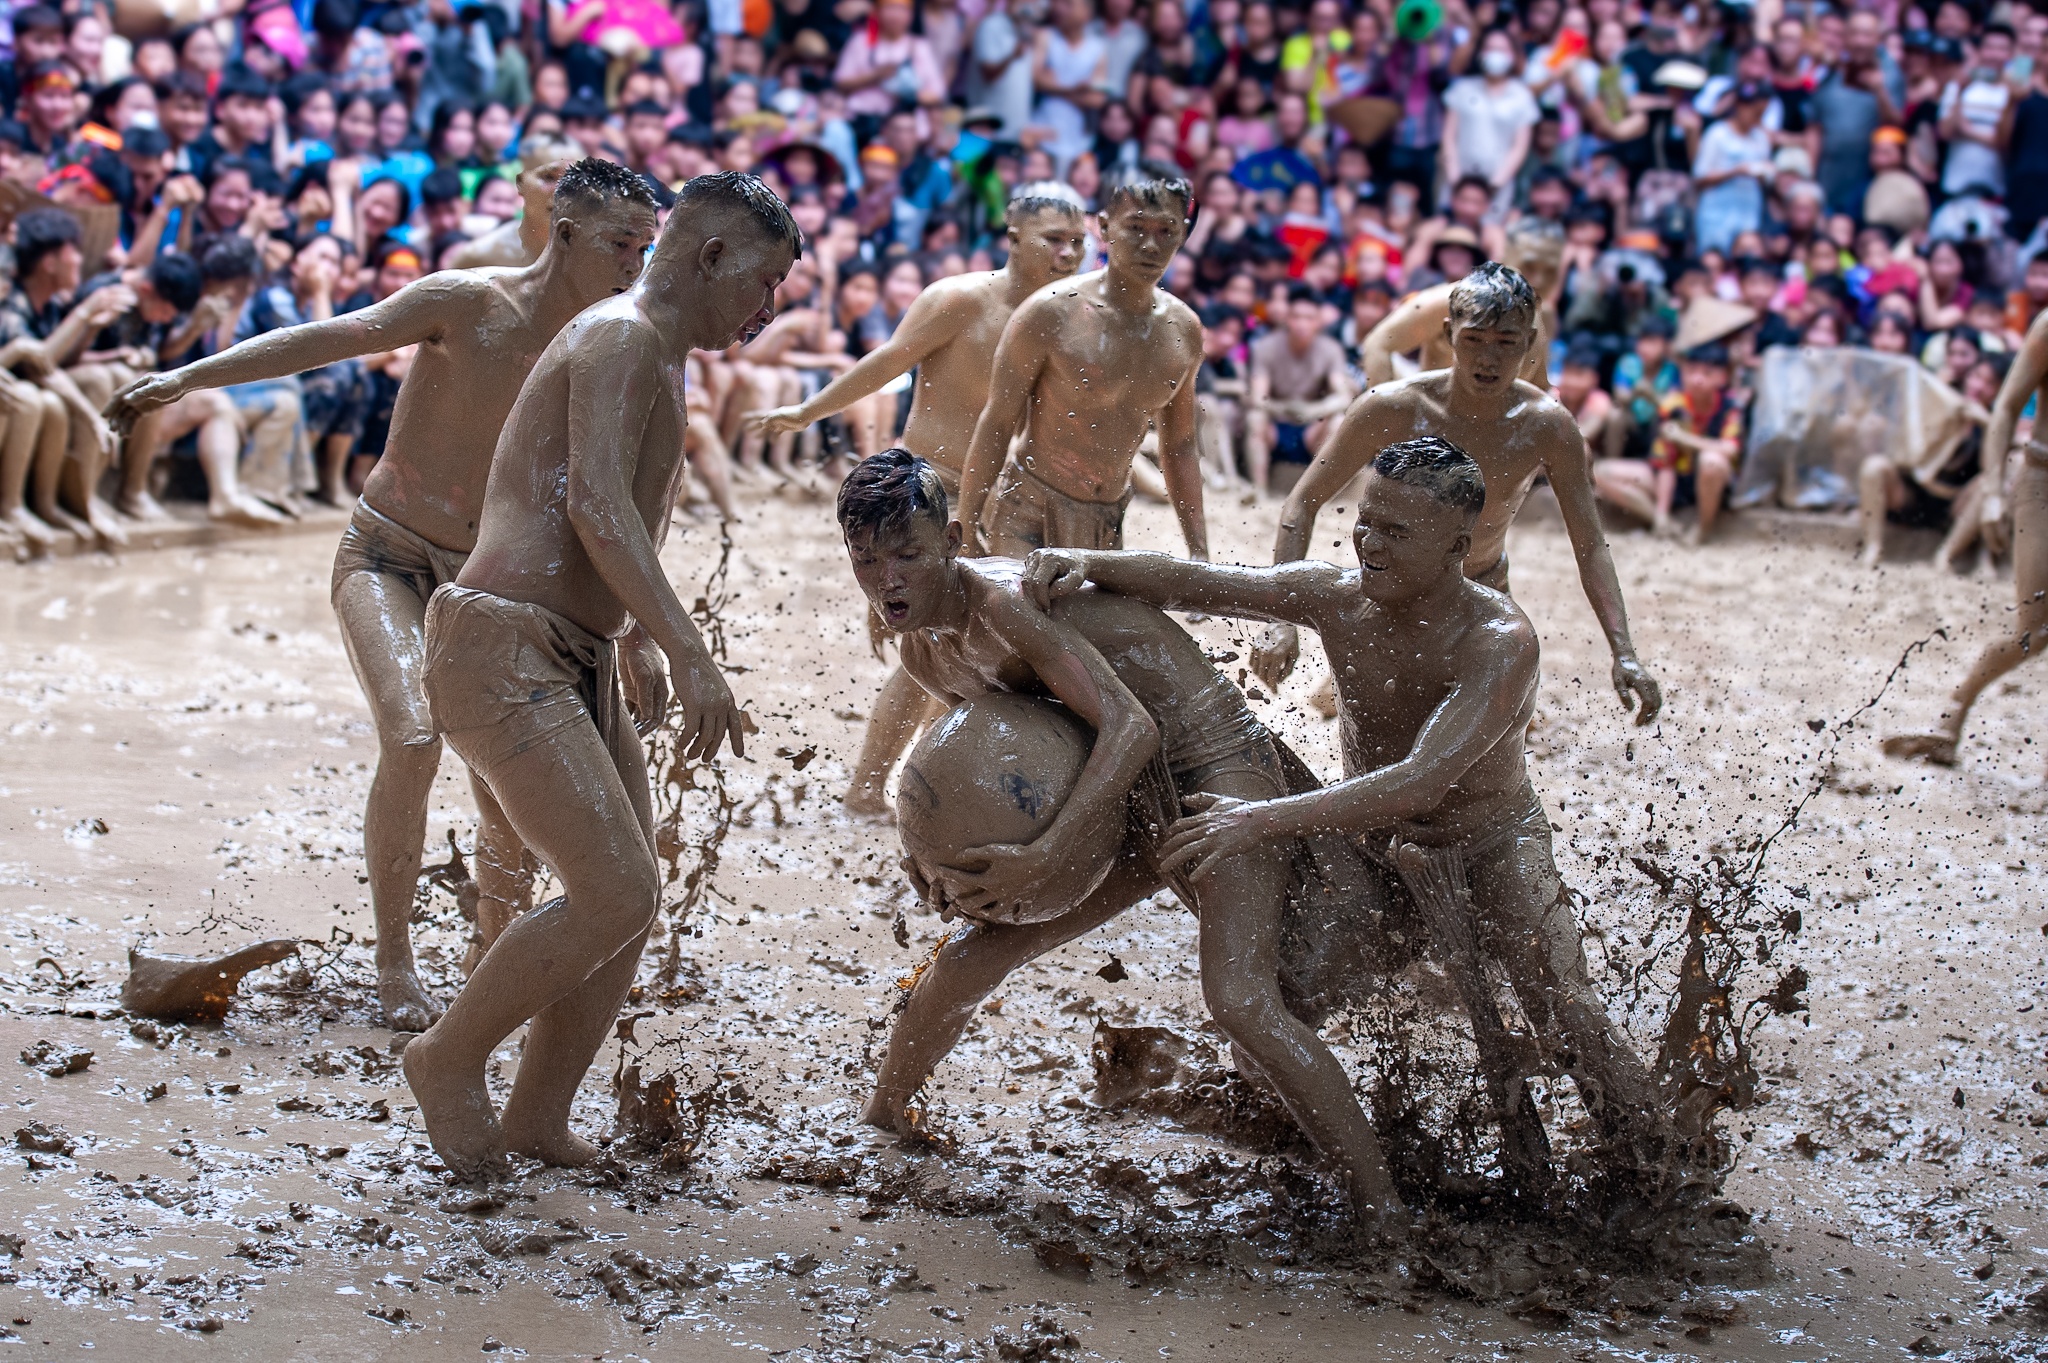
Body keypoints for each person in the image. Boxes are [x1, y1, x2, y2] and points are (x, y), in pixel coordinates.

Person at [1023, 435, 1673, 1200]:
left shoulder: (1500, 642)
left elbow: (1421, 780)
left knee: (1567, 1021)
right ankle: (1326, 1152)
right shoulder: (1338, 597)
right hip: (1376, 852)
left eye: (1397, 531)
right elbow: (1207, 581)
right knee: (1274, 999)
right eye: (1366, 520)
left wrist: (1259, 818)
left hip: (1491, 845)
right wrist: (1092, 564)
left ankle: (1667, 1176)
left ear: (1458, 546)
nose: (1368, 541)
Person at [106, 160, 662, 1032]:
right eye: (622, 244)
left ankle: (491, 959)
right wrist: (188, 379)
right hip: (389, 555)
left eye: (647, 246)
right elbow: (326, 337)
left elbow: (617, 496)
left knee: (506, 780)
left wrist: (633, 630)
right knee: (411, 736)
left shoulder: (609, 341)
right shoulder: (470, 300)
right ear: (565, 234)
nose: (636, 263)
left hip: (496, 583)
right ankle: (394, 962)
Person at [840, 447, 1404, 1225]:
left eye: (907, 554)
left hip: (1213, 764)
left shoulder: (1001, 605)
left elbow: (1133, 726)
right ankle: (881, 1125)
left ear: (954, 540)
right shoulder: (920, 644)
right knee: (974, 950)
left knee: (1243, 999)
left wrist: (1046, 854)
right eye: (867, 560)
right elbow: (961, 758)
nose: (889, 579)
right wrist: (924, 853)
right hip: (1125, 790)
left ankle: (1386, 1210)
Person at [403, 172, 799, 1177]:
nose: (765, 308)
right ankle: (446, 1056)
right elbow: (595, 510)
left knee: (631, 895)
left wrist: (624, 633)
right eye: (761, 283)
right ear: (709, 257)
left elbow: (593, 513)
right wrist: (688, 649)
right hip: (504, 646)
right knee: (613, 887)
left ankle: (537, 1113)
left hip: (566, 650)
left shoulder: (654, 351)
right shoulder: (623, 335)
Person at [746, 181, 1089, 816]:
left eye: (1077, 242)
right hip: (924, 490)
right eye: (1053, 241)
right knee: (923, 649)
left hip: (999, 499)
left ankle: (934, 789)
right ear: (1014, 239)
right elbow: (888, 359)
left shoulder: (1065, 317)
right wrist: (808, 410)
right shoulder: (959, 299)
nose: (1068, 254)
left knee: (980, 649)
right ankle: (870, 788)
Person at [1256, 263, 1662, 728]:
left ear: (1530, 343)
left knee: (1505, 726)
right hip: (1392, 591)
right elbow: (1302, 503)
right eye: (1475, 340)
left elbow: (1590, 545)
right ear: (1449, 334)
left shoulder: (1548, 426)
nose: (1489, 360)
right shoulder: (1394, 406)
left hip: (1481, 588)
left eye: (1506, 343)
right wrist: (1279, 619)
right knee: (1367, 714)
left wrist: (1623, 651)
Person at [957, 166, 1208, 561]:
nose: (1150, 245)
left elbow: (1179, 444)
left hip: (1107, 521)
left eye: (1166, 230)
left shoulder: (1183, 330)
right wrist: (967, 528)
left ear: (1184, 232)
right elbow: (998, 420)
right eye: (1136, 227)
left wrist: (1199, 552)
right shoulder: (1051, 311)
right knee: (1025, 621)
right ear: (1105, 227)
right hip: (1028, 510)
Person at [1886, 302, 2048, 768]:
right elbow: (2005, 409)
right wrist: (1995, 493)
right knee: (2034, 632)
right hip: (2042, 480)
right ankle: (1951, 716)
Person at [1357, 217, 1566, 389]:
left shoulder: (1544, 318)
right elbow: (1378, 344)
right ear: (1505, 257)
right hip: (1431, 426)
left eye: (1550, 271)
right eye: (1529, 266)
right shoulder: (1451, 300)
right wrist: (1389, 421)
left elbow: (1539, 388)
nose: (1539, 280)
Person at [1596, 341, 1743, 544]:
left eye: (1707, 373)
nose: (1698, 379)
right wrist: (1662, 512)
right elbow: (1665, 461)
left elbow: (1730, 449)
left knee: (1712, 462)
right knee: (1600, 472)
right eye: (1692, 371)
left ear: (1722, 377)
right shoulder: (1673, 405)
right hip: (1676, 481)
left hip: (1712, 481)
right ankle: (1662, 520)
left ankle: (1703, 527)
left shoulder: (1729, 407)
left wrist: (1686, 439)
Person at [1245, 281, 1356, 494]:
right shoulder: (1265, 347)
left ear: (1318, 321)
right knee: (1254, 418)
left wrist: (1315, 410)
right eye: (1296, 317)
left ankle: (1319, 494)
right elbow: (1258, 398)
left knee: (1338, 421)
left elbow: (1343, 396)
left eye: (1309, 318)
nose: (1302, 324)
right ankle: (1258, 491)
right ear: (1287, 318)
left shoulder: (1330, 350)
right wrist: (1282, 408)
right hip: (1276, 427)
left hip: (1311, 431)